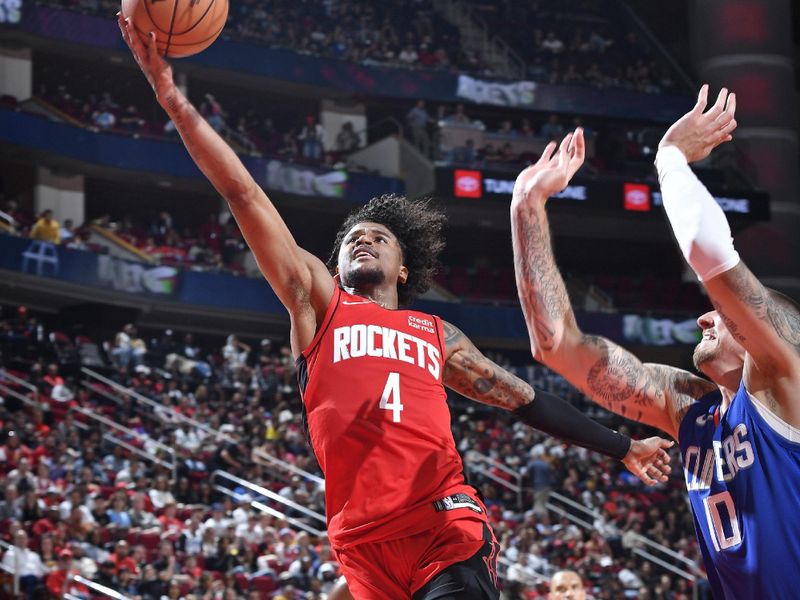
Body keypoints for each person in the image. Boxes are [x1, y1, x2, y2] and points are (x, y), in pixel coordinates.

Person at [117, 17, 670, 598]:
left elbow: (523, 399)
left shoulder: (436, 333)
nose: (364, 237)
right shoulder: (317, 305)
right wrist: (171, 97)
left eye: (380, 237)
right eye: (354, 235)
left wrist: (623, 446)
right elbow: (242, 193)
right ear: (333, 265)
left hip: (443, 526)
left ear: (403, 269)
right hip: (360, 545)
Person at [510, 86, 800, 599]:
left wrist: (670, 157)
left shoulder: (783, 382)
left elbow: (708, 250)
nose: (705, 317)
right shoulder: (689, 408)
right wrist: (526, 207)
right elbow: (555, 345)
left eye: (726, 315)